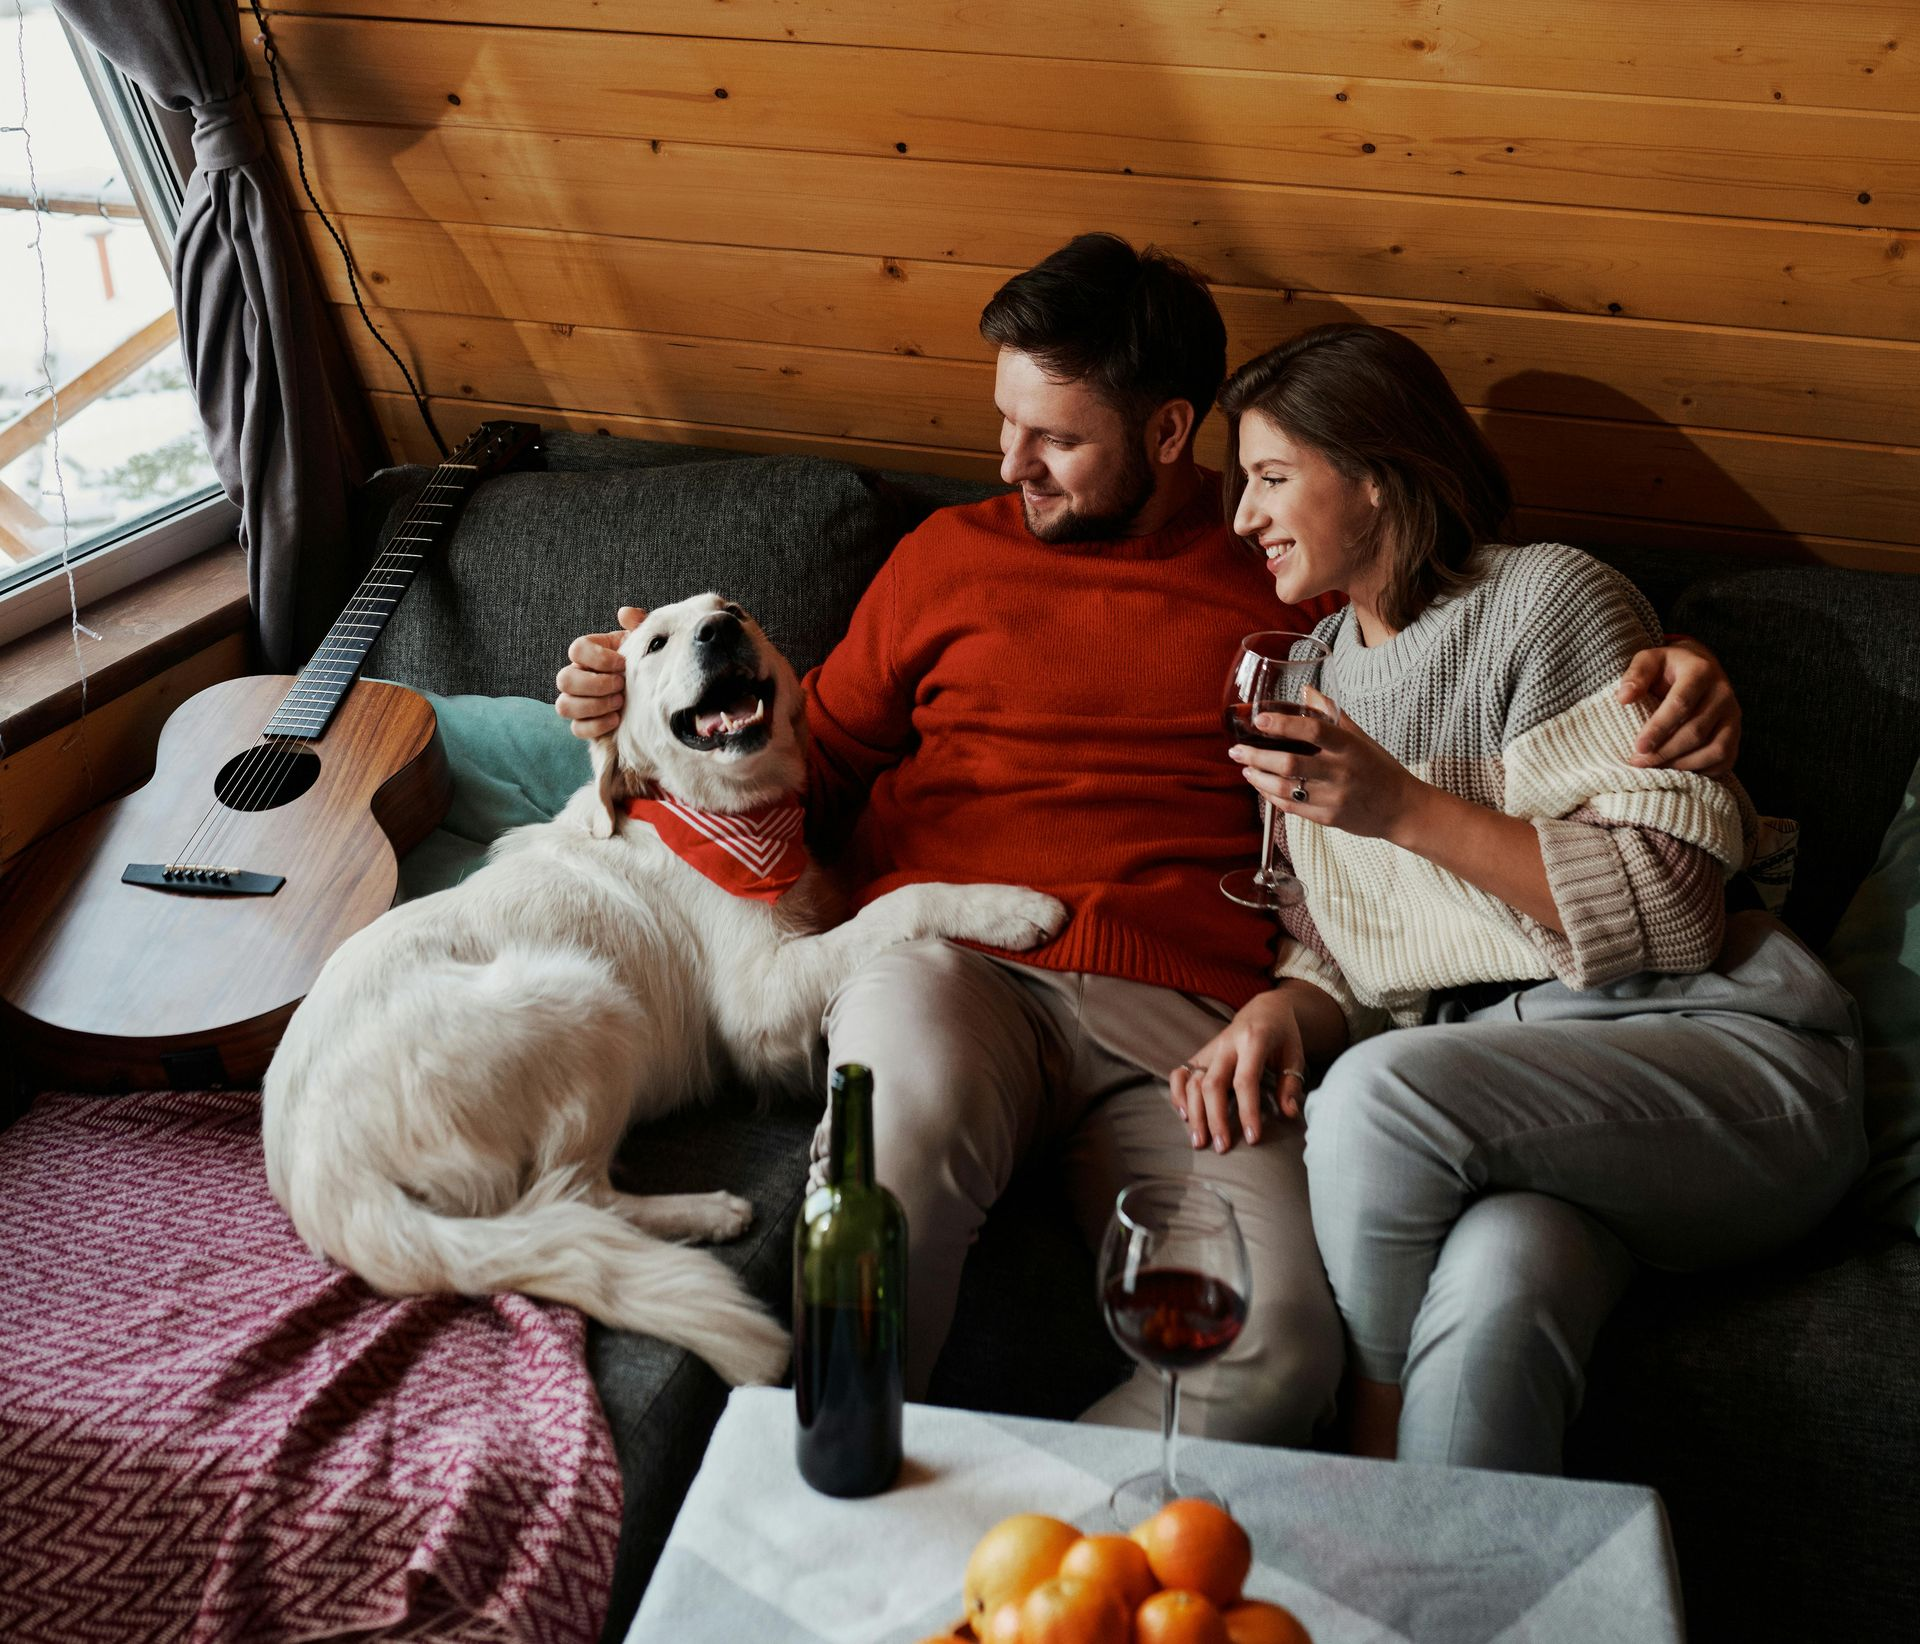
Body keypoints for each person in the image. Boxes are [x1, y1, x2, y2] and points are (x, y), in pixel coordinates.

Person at [554, 234, 1741, 1444]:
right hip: (945, 964)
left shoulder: (1289, 576)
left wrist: (1683, 677)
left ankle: (1026, 1585)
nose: (1010, 463)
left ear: (1172, 433)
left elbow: (1462, 622)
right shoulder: (942, 559)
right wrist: (642, 724)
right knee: (875, 1202)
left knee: (1276, 1354)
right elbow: (802, 774)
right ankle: (832, 1526)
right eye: (1007, 423)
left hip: (1193, 1021)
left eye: (1055, 438)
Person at [1177, 322, 1864, 1473]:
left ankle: (1357, 1461)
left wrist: (1400, 806)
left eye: (1270, 478)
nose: (1241, 516)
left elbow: (1673, 912)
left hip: (1717, 1047)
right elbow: (1373, 944)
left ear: (1381, 477)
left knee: (1375, 1103)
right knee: (1497, 1291)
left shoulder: (1545, 603)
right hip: (1516, 1100)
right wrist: (1286, 1007)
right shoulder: (1307, 675)